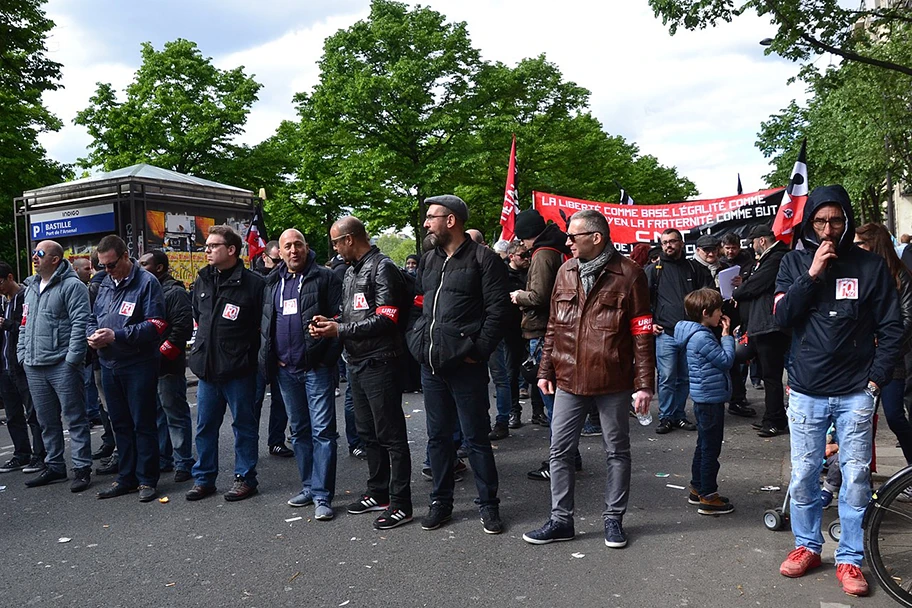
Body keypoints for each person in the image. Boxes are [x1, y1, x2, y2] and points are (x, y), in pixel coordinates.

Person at [774, 185, 902, 597]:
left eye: (836, 220)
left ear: (847, 220)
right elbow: (782, 318)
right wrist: (812, 274)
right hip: (808, 389)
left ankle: (849, 559)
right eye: (820, 221)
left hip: (855, 392)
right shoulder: (793, 262)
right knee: (805, 474)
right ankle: (807, 547)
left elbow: (892, 328)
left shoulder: (870, 266)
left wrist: (874, 381)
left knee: (856, 479)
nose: (829, 229)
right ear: (809, 222)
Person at [522, 210, 654, 548]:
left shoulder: (630, 274)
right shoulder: (566, 270)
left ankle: (613, 519)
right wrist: (545, 370)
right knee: (559, 450)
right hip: (567, 377)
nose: (567, 242)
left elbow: (641, 331)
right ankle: (561, 520)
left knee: (616, 451)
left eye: (573, 237)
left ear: (596, 237)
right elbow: (554, 324)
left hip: (613, 379)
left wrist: (644, 385)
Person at [407, 194, 508, 535]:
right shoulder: (428, 260)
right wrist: (417, 340)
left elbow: (499, 313)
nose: (426, 223)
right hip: (431, 365)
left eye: (431, 217)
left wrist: (477, 352)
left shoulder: (485, 260)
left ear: (450, 221)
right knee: (437, 438)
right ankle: (441, 502)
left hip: (467, 366)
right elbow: (419, 305)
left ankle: (489, 506)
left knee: (476, 437)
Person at [311, 216, 413, 530]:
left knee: (391, 435)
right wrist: (330, 321)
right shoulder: (352, 270)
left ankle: (401, 503)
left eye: (336, 242)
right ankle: (378, 491)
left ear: (350, 239)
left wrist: (339, 329)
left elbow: (386, 318)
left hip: (380, 361)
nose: (334, 248)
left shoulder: (382, 267)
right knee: (368, 433)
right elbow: (353, 312)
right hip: (356, 361)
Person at [260, 228, 342, 520]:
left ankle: (322, 495)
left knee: (323, 433)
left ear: (307, 248)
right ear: (279, 252)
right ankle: (308, 486)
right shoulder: (272, 283)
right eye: (287, 247)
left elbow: (339, 319)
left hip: (316, 369)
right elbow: (267, 323)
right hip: (285, 370)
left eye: (298, 245)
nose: (293, 251)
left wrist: (326, 360)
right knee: (300, 432)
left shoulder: (325, 277)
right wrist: (272, 361)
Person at [187, 225, 265, 502]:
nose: (207, 250)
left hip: (240, 371)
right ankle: (204, 478)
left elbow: (263, 326)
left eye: (213, 246)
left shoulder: (254, 284)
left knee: (243, 426)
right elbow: (199, 316)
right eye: (206, 246)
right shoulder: (203, 280)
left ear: (231, 250)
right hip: (207, 370)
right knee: (205, 427)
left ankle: (245, 478)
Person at [89, 236, 167, 502]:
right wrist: (92, 335)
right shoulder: (105, 284)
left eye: (111, 265)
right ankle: (126, 477)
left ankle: (147, 479)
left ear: (125, 257)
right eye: (103, 266)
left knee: (142, 422)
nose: (107, 271)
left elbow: (156, 324)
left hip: (138, 363)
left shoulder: (147, 283)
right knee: (120, 423)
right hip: (109, 362)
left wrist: (117, 336)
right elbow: (92, 316)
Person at [19, 240, 93, 492]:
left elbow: (81, 323)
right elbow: (24, 323)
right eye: (34, 253)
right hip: (33, 365)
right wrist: (22, 353)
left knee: (75, 418)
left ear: (55, 259)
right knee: (46, 420)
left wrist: (72, 360)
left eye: (40, 253)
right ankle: (55, 466)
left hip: (62, 365)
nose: (34, 257)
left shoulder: (72, 287)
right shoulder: (30, 288)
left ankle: (82, 468)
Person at [509, 209, 576, 479]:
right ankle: (570, 456)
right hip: (562, 328)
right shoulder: (559, 249)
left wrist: (518, 295)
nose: (522, 245)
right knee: (560, 398)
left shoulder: (541, 254)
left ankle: (559, 461)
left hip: (544, 331)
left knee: (551, 399)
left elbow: (538, 296)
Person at [853, 223, 912, 475]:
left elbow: (908, 318)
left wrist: (887, 342)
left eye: (859, 244)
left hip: (890, 356)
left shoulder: (900, 276)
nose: (854, 248)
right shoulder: (860, 273)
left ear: (872, 245)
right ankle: (859, 476)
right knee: (861, 420)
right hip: (863, 355)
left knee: (895, 416)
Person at [645, 229, 714, 434]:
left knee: (684, 377)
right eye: (665, 242)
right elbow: (640, 300)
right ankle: (666, 417)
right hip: (665, 332)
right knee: (666, 377)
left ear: (681, 243)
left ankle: (679, 415)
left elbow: (709, 294)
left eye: (673, 241)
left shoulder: (694, 267)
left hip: (691, 334)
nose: (668, 245)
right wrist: (650, 321)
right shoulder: (653, 270)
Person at [675, 288, 735, 515]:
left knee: (703, 444)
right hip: (710, 398)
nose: (721, 313)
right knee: (710, 447)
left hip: (704, 396)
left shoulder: (693, 332)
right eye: (718, 309)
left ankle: (697, 487)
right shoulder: (702, 336)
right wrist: (727, 336)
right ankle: (708, 496)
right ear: (705, 312)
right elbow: (726, 360)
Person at [138, 250, 196, 483]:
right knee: (157, 414)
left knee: (175, 414)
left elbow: (181, 328)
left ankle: (183, 461)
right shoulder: (145, 291)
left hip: (168, 365)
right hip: (147, 366)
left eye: (145, 264)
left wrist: (161, 355)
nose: (140, 268)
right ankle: (164, 457)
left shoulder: (174, 293)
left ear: (159, 268)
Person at [731, 225, 790, 433]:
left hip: (769, 327)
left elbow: (756, 284)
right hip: (761, 326)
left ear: (762, 241)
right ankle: (773, 416)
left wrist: (738, 292)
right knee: (767, 374)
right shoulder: (770, 258)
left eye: (753, 242)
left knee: (771, 377)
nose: (752, 246)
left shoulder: (775, 259)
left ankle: (774, 420)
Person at [0, 261, 45, 475]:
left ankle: (40, 455)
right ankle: (21, 454)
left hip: (22, 365)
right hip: (5, 366)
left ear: (10, 277)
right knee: (12, 414)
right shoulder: (2, 301)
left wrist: (7, 324)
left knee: (33, 412)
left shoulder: (26, 297)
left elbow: (31, 328)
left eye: (0, 282)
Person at [252, 240, 293, 458]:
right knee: (255, 400)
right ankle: (250, 445)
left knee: (281, 399)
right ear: (265, 258)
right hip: (258, 350)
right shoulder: (254, 281)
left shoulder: (288, 279)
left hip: (281, 349)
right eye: (276, 260)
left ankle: (276, 440)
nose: (280, 265)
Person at [73, 258, 101, 425]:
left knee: (90, 381)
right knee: (85, 381)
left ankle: (91, 410)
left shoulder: (89, 288)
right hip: (81, 346)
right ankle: (88, 412)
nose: (89, 272)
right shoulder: (79, 289)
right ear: (76, 270)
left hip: (89, 345)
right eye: (85, 269)